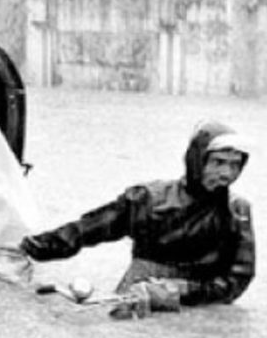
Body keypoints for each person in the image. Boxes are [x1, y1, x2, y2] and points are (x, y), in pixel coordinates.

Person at [15, 120, 255, 319]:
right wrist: (27, 248)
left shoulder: (237, 211)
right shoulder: (149, 199)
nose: (227, 174)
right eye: (218, 163)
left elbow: (238, 279)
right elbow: (87, 230)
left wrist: (180, 292)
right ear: (197, 160)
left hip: (202, 309)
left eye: (235, 165)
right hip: (137, 298)